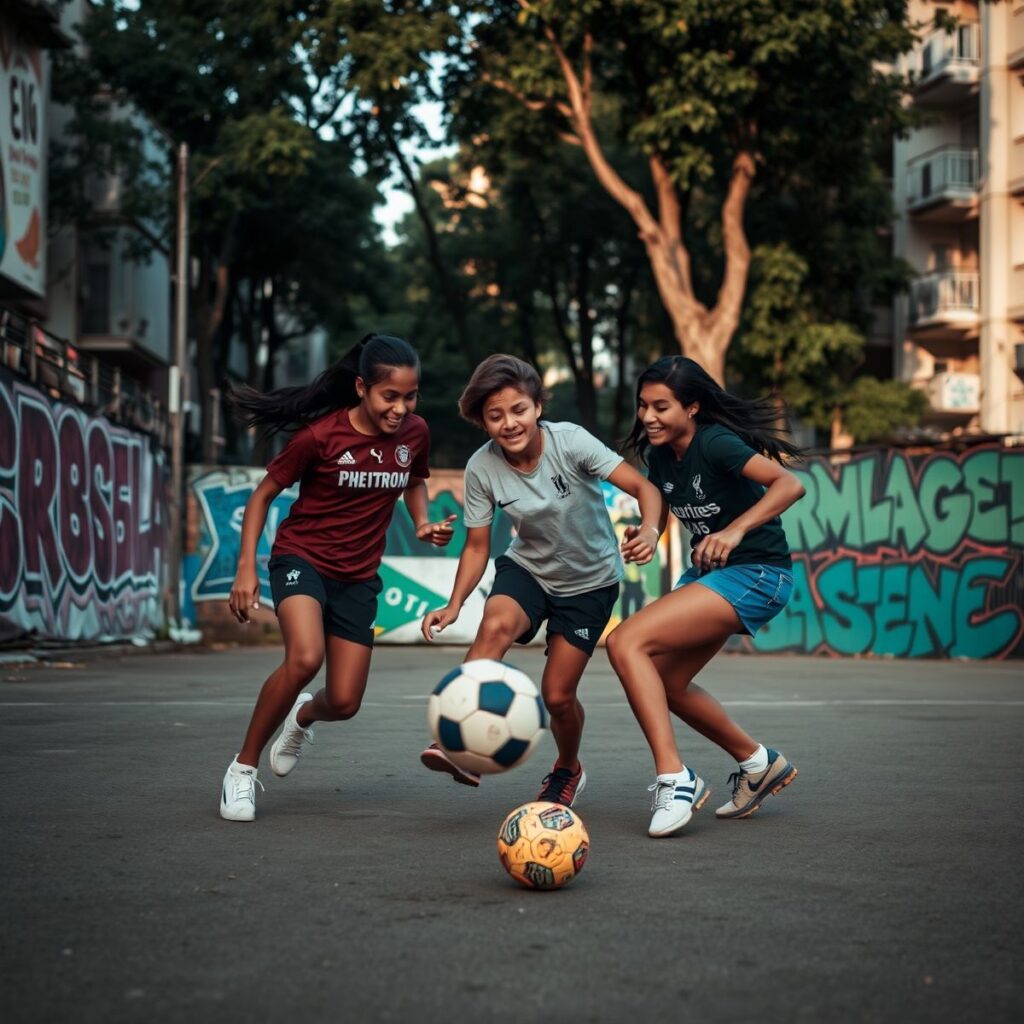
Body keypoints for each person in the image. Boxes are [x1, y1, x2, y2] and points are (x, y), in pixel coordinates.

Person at [219, 334, 457, 822]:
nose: (400, 408)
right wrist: (246, 567)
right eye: (389, 396)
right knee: (305, 657)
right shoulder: (320, 437)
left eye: (410, 397)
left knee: (345, 702)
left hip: (359, 575)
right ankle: (241, 769)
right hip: (302, 558)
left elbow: (414, 479)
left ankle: (303, 716)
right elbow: (263, 494)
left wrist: (422, 522)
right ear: (362, 388)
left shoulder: (415, 433)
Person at [420, 354, 663, 807]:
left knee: (557, 696)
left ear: (536, 408)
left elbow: (646, 489)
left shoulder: (570, 442)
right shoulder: (481, 468)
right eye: (495, 416)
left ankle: (568, 767)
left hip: (590, 583)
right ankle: (461, 747)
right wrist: (454, 605)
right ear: (482, 421)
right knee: (493, 626)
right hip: (529, 568)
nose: (509, 423)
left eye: (518, 410)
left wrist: (649, 530)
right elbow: (476, 546)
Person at [605, 355, 806, 837]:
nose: (648, 417)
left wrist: (735, 531)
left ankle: (675, 780)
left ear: (692, 407)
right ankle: (759, 763)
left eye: (661, 406)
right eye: (642, 406)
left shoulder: (716, 443)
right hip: (712, 576)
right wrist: (652, 532)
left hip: (758, 574)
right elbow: (657, 501)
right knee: (667, 683)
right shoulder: (660, 455)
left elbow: (789, 483)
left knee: (624, 643)